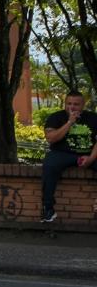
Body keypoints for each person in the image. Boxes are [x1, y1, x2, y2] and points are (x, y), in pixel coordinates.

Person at [41, 90, 97, 223]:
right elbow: (51, 138)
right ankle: (48, 208)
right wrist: (69, 123)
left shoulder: (94, 118)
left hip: (88, 153)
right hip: (62, 154)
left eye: (76, 104)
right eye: (69, 103)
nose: (72, 107)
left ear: (83, 105)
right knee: (49, 166)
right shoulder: (55, 117)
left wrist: (91, 159)